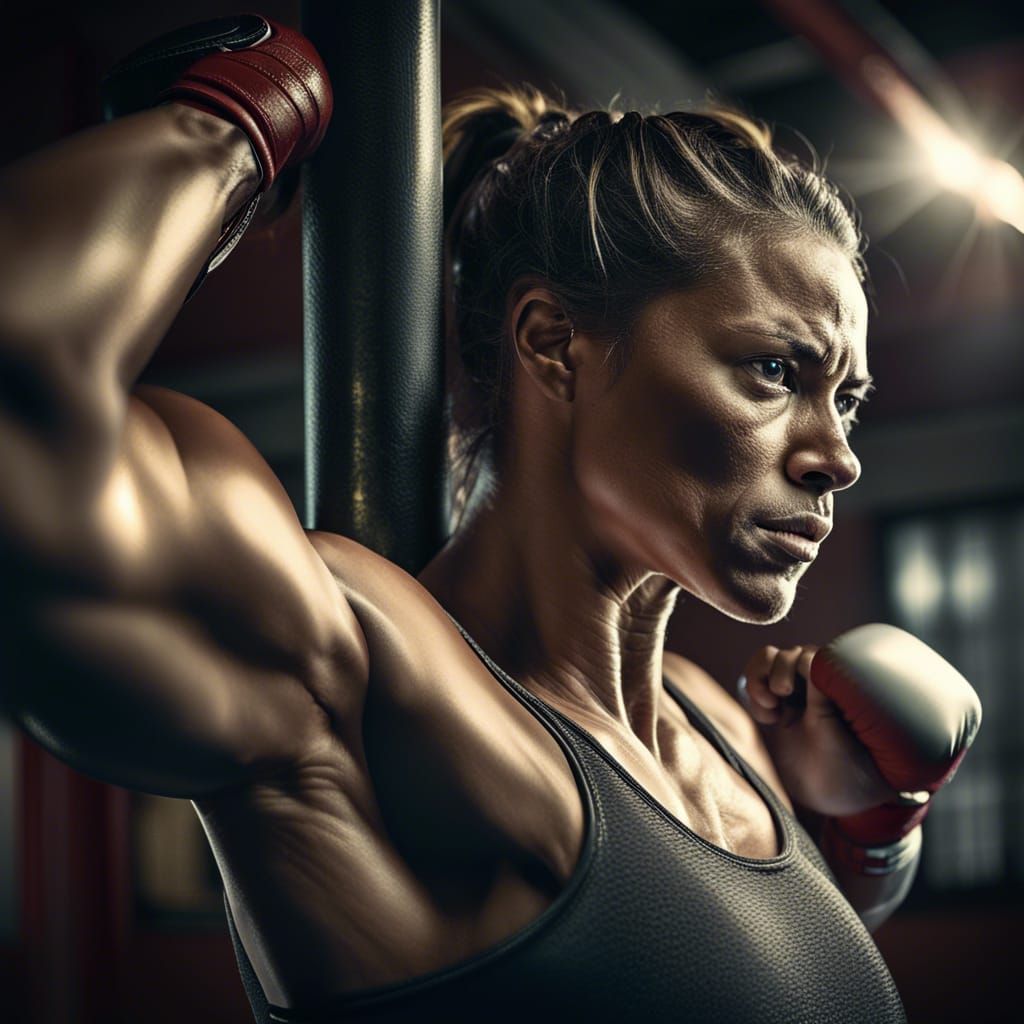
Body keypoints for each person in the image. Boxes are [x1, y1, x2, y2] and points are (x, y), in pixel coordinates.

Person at [0, 14, 980, 1024]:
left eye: (845, 399)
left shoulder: (713, 723)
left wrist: (869, 824)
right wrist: (236, 118)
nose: (839, 454)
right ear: (553, 342)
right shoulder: (359, 674)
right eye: (774, 371)